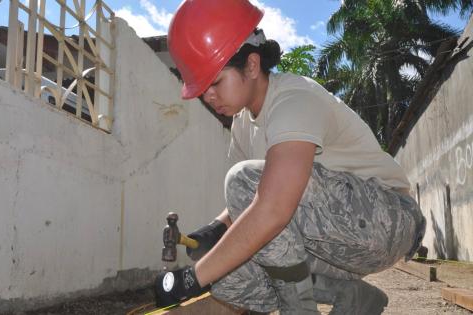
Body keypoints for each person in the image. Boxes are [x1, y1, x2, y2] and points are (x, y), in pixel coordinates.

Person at [154, 0, 426, 314]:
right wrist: (215, 230)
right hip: (339, 236)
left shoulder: (295, 99)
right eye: (201, 89)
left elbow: (271, 205)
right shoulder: (243, 124)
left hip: (390, 222)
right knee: (235, 263)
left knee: (244, 185)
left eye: (214, 82)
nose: (208, 96)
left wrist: (192, 279)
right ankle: (353, 296)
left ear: (252, 65)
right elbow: (251, 203)